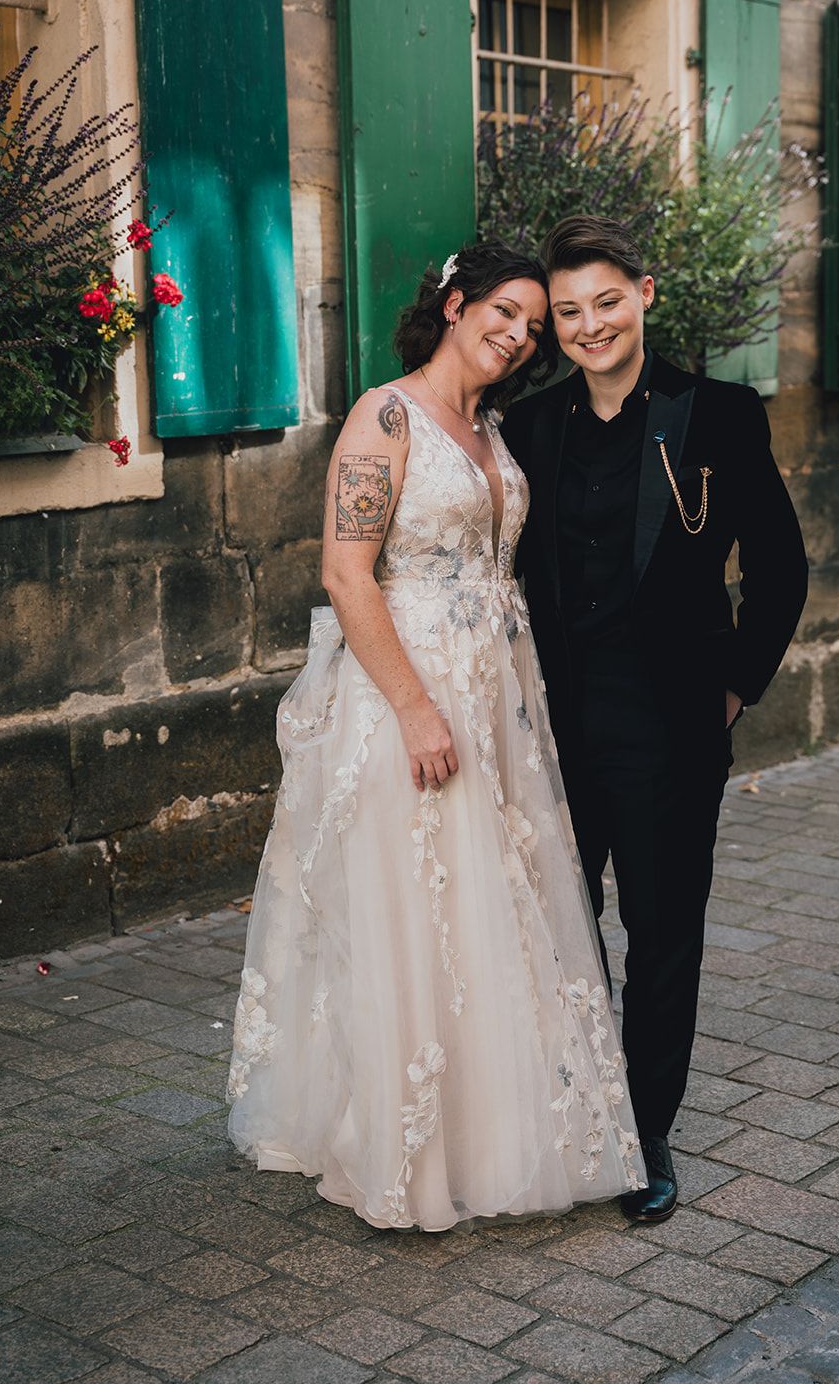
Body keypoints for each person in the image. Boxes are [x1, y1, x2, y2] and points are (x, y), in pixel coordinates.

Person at [227, 240, 644, 1232]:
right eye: (504, 310)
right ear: (452, 303)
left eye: (533, 327)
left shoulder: (490, 427)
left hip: (496, 695)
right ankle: (401, 1147)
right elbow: (344, 573)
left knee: (484, 911)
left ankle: (489, 1128)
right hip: (405, 692)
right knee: (414, 912)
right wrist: (416, 708)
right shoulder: (386, 414)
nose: (517, 334)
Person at [502, 216, 808, 1223]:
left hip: (668, 725)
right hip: (550, 725)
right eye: (569, 311)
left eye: (605, 300)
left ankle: (642, 1130)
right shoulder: (531, 427)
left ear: (643, 292)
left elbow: (778, 563)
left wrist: (734, 684)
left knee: (661, 934)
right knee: (559, 929)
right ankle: (571, 1109)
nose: (588, 324)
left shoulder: (714, 412)